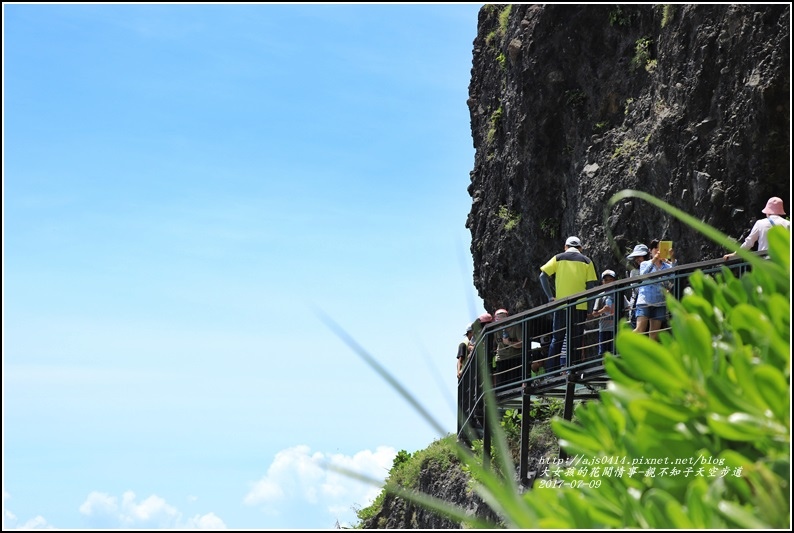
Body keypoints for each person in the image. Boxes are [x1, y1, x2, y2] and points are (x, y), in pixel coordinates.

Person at [539, 236, 598, 371]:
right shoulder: (587, 261)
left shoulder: (558, 258)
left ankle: (550, 372)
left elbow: (542, 276)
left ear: (565, 247)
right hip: (580, 306)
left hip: (561, 305)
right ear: (580, 248)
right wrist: (589, 309)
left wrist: (550, 297)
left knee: (557, 338)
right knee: (576, 338)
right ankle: (573, 369)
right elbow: (591, 287)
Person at [723, 196, 791, 260]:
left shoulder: (760, 223)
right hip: (782, 261)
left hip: (765, 260)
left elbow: (749, 242)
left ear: (767, 211)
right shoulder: (788, 224)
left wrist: (735, 254)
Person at [634, 240, 672, 341]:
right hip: (645, 301)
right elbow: (644, 275)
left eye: (661, 248)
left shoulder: (666, 266)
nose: (658, 251)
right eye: (656, 248)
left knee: (654, 335)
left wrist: (671, 258)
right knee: (639, 330)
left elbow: (674, 275)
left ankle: (646, 355)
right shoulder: (645, 264)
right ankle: (624, 344)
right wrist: (654, 260)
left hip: (659, 302)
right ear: (650, 251)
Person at [588, 269, 617, 357]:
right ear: (602, 282)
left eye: (610, 279)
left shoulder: (619, 293)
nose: (608, 282)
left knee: (615, 351)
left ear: (614, 280)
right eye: (606, 280)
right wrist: (603, 311)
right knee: (603, 353)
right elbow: (594, 313)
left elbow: (627, 307)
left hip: (616, 328)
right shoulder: (600, 296)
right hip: (604, 328)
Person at [624, 243, 649, 329]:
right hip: (638, 302)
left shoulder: (654, 267)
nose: (637, 259)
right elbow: (636, 289)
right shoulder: (634, 272)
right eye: (636, 257)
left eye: (640, 256)